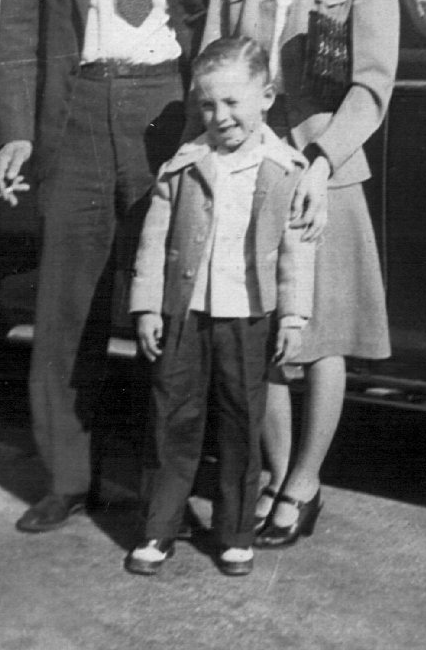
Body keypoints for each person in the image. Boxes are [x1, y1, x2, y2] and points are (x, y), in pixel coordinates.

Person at [0, 0, 221, 533]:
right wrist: (18, 132)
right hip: (79, 113)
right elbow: (21, 27)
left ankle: (167, 493)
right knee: (70, 307)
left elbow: (208, 28)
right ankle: (66, 477)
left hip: (166, 112)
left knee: (172, 304)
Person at [202, 0, 399, 548]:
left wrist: (318, 161)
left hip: (324, 172)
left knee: (323, 337)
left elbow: (372, 83)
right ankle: (276, 473)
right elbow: (214, 63)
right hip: (253, 170)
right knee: (261, 333)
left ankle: (303, 485)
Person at [125, 37, 315, 577]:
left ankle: (235, 532)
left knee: (240, 421)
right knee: (173, 418)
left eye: (233, 102)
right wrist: (148, 308)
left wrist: (293, 317)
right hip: (186, 315)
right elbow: (154, 243)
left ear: (267, 97)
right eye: (207, 105)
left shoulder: (283, 168)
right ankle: (159, 528)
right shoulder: (184, 165)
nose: (221, 116)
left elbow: (294, 253)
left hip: (249, 316)